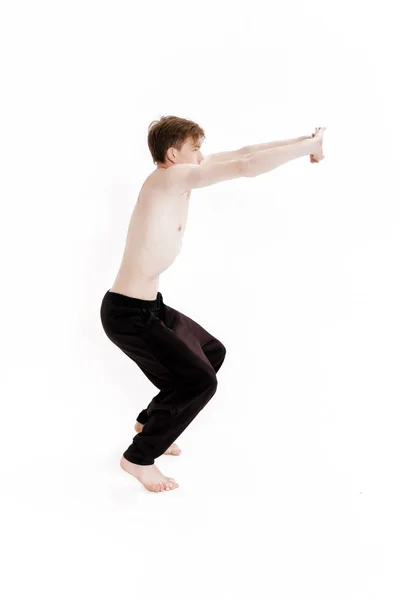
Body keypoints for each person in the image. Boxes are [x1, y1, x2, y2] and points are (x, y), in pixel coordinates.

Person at [100, 115, 326, 493]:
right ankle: (138, 458)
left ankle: (152, 423)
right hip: (128, 314)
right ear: (173, 154)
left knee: (210, 353)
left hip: (149, 308)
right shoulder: (167, 179)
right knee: (200, 381)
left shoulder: (179, 175)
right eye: (196, 149)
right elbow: (243, 167)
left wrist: (306, 140)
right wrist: (308, 150)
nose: (203, 156)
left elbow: (244, 153)